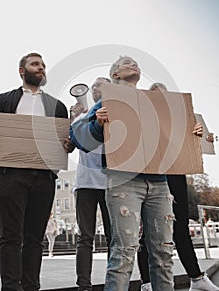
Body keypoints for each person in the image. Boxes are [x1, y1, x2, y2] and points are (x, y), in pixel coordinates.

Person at [70, 56, 176, 291]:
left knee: (164, 253)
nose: (134, 64)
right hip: (124, 181)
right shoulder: (108, 101)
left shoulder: (153, 102)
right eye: (127, 63)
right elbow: (79, 137)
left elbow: (173, 136)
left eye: (136, 63)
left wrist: (192, 131)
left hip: (159, 182)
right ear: (115, 75)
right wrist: (97, 124)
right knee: (124, 252)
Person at [0, 52, 73, 291]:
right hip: (12, 176)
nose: (41, 68)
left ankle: (31, 286)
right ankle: (11, 287)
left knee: (35, 238)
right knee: (11, 236)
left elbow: (65, 143)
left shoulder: (57, 106)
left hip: (44, 177)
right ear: (22, 71)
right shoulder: (4, 101)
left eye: (43, 65)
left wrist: (69, 144)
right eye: (35, 64)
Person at [137, 82, 219, 291]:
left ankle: (197, 277)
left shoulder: (180, 122)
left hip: (175, 175)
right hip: (151, 176)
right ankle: (147, 282)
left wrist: (200, 138)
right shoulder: (142, 120)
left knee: (180, 227)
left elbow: (197, 150)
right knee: (148, 230)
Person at [70, 77, 111, 291]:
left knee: (114, 237)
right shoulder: (82, 116)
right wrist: (74, 119)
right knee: (85, 237)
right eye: (93, 86)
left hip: (110, 184)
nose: (96, 88)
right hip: (85, 183)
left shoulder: (117, 112)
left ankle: (113, 283)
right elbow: (69, 143)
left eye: (100, 85)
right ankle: (84, 285)